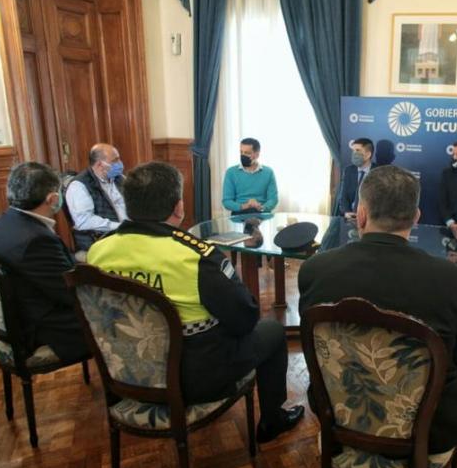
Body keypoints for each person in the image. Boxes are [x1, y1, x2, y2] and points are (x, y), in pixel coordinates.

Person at [88, 162, 302, 443]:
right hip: (195, 380)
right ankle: (272, 420)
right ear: (178, 207)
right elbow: (244, 319)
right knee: (272, 331)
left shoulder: (97, 251)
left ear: (128, 205)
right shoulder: (196, 257)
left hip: (124, 372)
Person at [299, 165, 457, 453]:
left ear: (361, 214)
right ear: (416, 218)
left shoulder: (314, 269)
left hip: (337, 410)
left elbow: (312, 343)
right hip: (428, 426)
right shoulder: (451, 279)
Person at [0, 162, 88, 362]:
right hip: (44, 326)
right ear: (52, 198)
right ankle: (125, 384)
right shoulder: (36, 240)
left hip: (20, 312)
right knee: (117, 317)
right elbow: (70, 293)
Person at [65, 143, 127, 251]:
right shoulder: (79, 186)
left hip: (127, 235)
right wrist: (119, 227)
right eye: (115, 161)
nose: (120, 164)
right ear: (99, 165)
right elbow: (84, 221)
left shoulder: (120, 179)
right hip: (101, 241)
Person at [222, 138, 278, 215]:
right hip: (239, 215)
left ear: (257, 154)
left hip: (261, 214)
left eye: (247, 153)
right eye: (241, 152)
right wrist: (244, 206)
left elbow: (273, 199)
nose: (243, 155)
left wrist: (261, 207)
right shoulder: (231, 172)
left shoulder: (268, 172)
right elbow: (227, 201)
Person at [334, 137, 376, 218]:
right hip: (350, 217)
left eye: (357, 150)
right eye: (353, 151)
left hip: (370, 219)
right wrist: (346, 212)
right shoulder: (348, 170)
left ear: (368, 154)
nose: (354, 153)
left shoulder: (378, 172)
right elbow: (343, 196)